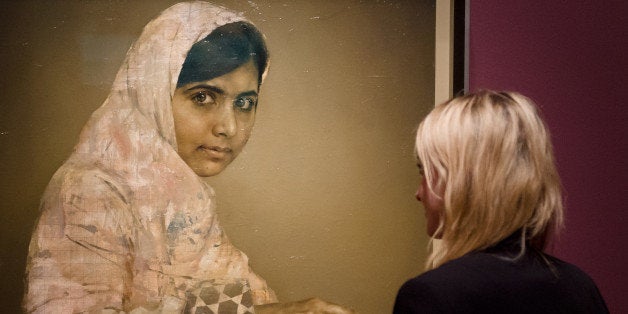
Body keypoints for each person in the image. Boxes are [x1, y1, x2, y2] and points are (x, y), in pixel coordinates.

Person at [23, 2, 352, 313]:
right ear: (154, 92)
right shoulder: (90, 191)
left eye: (244, 103)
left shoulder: (186, 203)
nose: (228, 127)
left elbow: (253, 301)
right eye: (203, 97)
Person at [393, 90, 609, 313]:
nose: (418, 193)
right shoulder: (579, 286)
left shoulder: (432, 295)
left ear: (461, 180)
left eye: (425, 171)